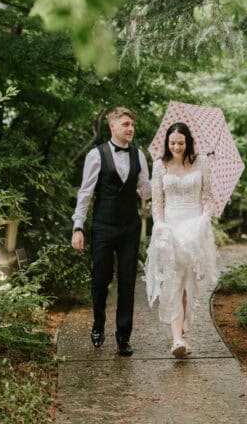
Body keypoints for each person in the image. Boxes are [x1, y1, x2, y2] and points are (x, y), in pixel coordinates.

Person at [71, 107, 151, 356]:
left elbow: (146, 193)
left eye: (132, 125)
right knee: (100, 279)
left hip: (130, 226)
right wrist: (78, 226)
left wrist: (159, 176)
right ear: (113, 126)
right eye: (126, 124)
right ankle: (98, 324)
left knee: (128, 281)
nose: (130, 129)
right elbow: (85, 193)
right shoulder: (96, 155)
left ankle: (123, 337)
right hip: (103, 226)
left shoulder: (140, 155)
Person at [144, 121, 218, 358]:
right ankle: (177, 338)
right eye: (172, 143)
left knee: (188, 284)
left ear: (188, 142)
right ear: (167, 143)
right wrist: (161, 225)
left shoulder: (201, 162)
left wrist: (204, 219)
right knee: (174, 281)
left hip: (195, 225)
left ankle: (182, 333)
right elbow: (157, 203)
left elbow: (208, 197)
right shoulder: (160, 165)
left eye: (181, 143)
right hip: (171, 227)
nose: (176, 146)